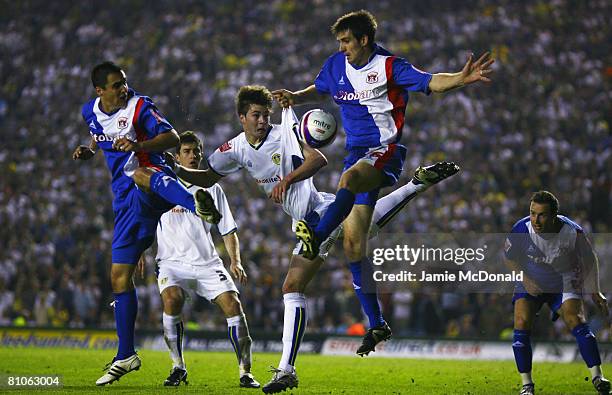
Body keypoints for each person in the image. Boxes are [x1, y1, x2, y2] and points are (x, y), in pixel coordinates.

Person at [170, 85, 458, 393]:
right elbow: (205, 177)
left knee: (293, 286)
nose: (263, 121)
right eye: (256, 115)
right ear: (242, 117)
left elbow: (318, 159)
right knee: (359, 231)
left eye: (266, 115)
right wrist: (171, 168)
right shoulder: (234, 149)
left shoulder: (286, 131)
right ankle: (415, 184)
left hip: (317, 215)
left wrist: (287, 179)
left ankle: (286, 369)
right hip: (310, 217)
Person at [272, 9, 492, 353]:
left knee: (347, 181)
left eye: (347, 41)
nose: (342, 47)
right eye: (339, 42)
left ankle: (314, 238)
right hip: (355, 153)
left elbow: (431, 80)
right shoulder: (335, 65)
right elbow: (323, 87)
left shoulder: (389, 66)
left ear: (364, 40)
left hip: (383, 151)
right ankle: (376, 325)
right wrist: (296, 97)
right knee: (353, 246)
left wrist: (462, 78)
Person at [72, 61, 221, 386]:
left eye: (124, 82)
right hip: (125, 202)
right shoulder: (89, 111)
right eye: (116, 85)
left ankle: (194, 202)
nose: (123, 88)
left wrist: (139, 146)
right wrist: (90, 149)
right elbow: (99, 132)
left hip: (154, 180)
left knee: (140, 172)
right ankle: (126, 354)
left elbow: (172, 136)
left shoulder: (140, 106)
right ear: (100, 91)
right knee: (119, 277)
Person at [138, 131, 260, 388]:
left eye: (197, 152)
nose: (193, 156)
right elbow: (145, 221)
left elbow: (228, 229)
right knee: (172, 299)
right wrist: (138, 251)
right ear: (176, 156)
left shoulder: (212, 189)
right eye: (187, 151)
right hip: (171, 262)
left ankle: (245, 371)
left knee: (233, 305)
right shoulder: (162, 185)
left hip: (207, 263)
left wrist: (235, 261)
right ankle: (177, 366)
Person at [504, 191, 610, 395]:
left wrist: (594, 290)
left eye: (542, 215)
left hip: (563, 281)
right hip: (531, 280)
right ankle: (527, 385)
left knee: (576, 320)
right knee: (521, 322)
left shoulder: (572, 232)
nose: (536, 219)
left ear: (554, 216)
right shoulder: (521, 228)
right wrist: (525, 279)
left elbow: (590, 259)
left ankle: (598, 377)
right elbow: (509, 258)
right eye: (533, 213)